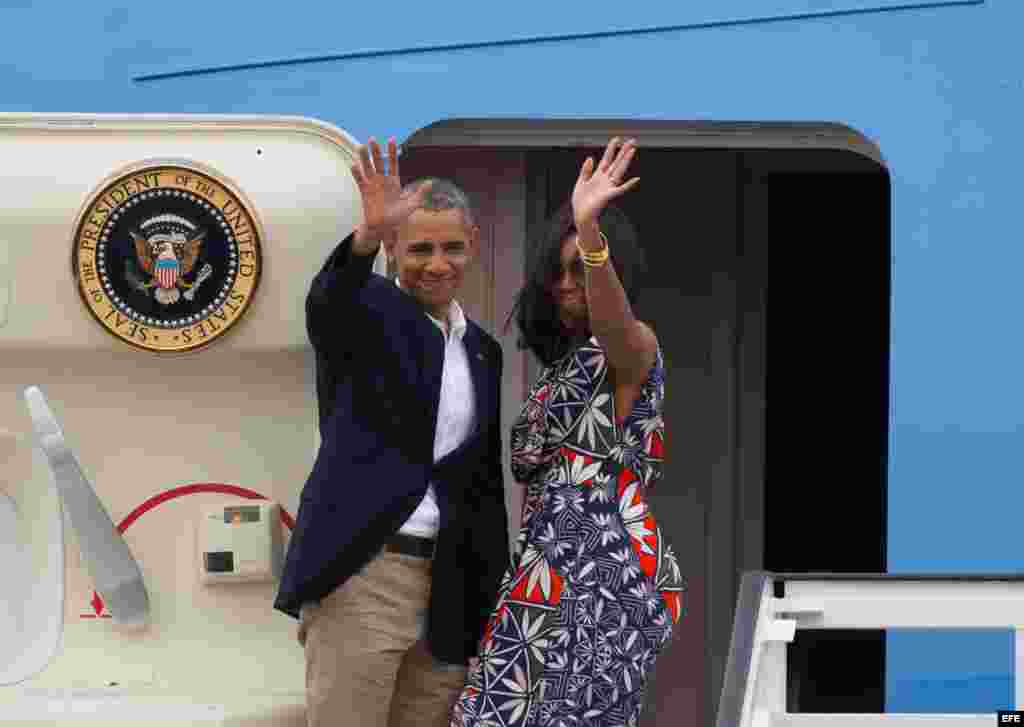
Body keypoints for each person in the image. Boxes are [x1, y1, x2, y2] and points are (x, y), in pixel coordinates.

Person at [274, 137, 509, 727]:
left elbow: (481, 481)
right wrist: (366, 238)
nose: (436, 263)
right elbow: (328, 304)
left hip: (451, 584)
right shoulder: (370, 312)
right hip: (368, 571)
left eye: (452, 247)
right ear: (396, 252)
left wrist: (489, 589)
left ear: (473, 246)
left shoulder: (483, 350)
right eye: (420, 248)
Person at [449, 138, 684, 727]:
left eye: (578, 270)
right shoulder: (566, 366)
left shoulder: (632, 349)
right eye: (557, 272)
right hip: (547, 570)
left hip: (600, 575)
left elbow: (615, 322)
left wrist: (589, 231)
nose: (564, 285)